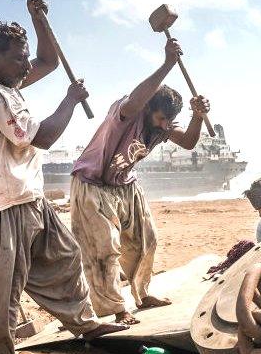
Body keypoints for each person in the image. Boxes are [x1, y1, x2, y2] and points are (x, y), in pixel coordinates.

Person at [0, 0, 126, 354]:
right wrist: (69, 101)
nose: (25, 65)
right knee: (3, 291)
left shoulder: (4, 81)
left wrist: (38, 18)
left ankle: (83, 325)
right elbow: (45, 136)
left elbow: (49, 62)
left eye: (24, 56)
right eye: (18, 58)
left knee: (65, 258)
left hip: (27, 195)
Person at [70, 37, 211, 325]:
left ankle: (142, 294)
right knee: (103, 250)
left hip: (125, 185)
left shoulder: (164, 125)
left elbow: (188, 142)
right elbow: (137, 98)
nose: (163, 125)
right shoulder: (127, 112)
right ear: (148, 108)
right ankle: (116, 309)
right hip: (92, 185)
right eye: (160, 118)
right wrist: (168, 64)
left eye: (167, 122)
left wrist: (197, 117)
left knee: (146, 240)